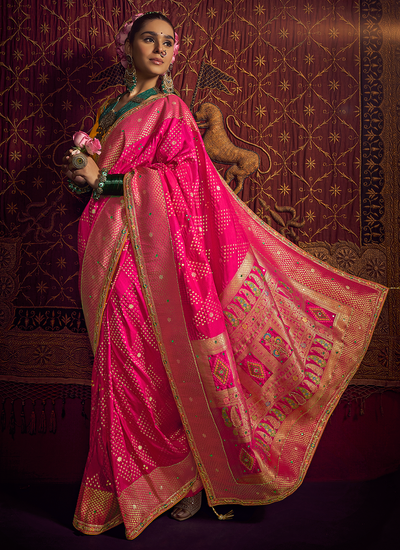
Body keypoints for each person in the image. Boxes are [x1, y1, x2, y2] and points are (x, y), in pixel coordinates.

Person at [62, 12, 387, 541]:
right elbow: (96, 184)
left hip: (151, 255)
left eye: (169, 41)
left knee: (149, 362)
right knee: (116, 365)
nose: (162, 48)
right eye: (150, 38)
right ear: (128, 47)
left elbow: (186, 183)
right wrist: (84, 178)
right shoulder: (109, 110)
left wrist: (105, 181)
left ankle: (185, 476)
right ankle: (128, 485)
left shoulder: (171, 108)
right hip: (105, 248)